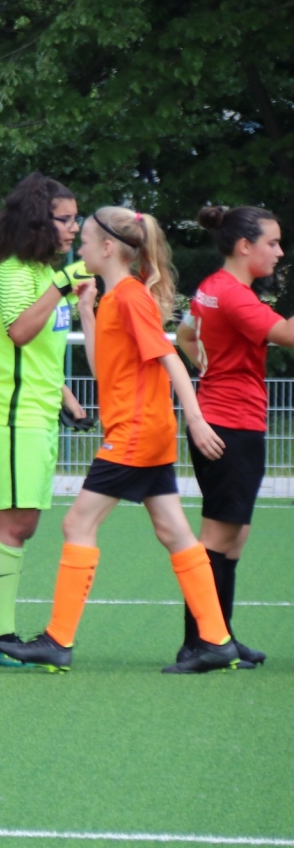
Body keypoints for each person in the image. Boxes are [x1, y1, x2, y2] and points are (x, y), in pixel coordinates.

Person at [0, 209, 241, 673]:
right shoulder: (116, 298)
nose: (78, 248)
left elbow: (170, 358)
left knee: (78, 524)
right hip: (143, 431)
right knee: (174, 531)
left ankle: (58, 641)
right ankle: (216, 640)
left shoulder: (130, 297)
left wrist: (196, 419)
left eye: (85, 240)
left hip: (135, 432)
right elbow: (102, 365)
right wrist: (87, 310)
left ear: (108, 248)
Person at [0, 174, 92, 665]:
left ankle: (2, 638)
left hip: (39, 414)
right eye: (65, 219)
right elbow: (19, 332)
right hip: (12, 414)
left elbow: (42, 350)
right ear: (37, 222)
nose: (74, 228)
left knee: (26, 524)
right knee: (15, 523)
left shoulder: (45, 274)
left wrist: (68, 398)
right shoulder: (14, 274)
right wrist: (63, 286)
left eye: (76, 219)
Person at [174, 205, 289, 667]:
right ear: (245, 246)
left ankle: (219, 636)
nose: (279, 252)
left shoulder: (213, 287)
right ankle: (200, 643)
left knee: (233, 536)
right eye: (272, 243)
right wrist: (217, 375)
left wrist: (209, 368)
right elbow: (287, 334)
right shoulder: (235, 296)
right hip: (231, 426)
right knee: (216, 537)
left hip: (232, 421)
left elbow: (185, 336)